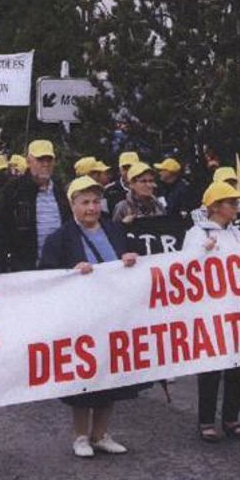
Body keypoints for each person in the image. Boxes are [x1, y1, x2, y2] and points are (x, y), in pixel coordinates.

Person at [39, 176, 142, 458]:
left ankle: (101, 434)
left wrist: (131, 260)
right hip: (80, 317)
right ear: (72, 205)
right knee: (84, 375)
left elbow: (129, 261)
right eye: (84, 202)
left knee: (110, 374)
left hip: (114, 314)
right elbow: (46, 275)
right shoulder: (59, 238)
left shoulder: (115, 230)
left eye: (96, 201)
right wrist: (71, 272)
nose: (92, 207)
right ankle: (81, 436)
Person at [181, 181, 240, 442]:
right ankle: (206, 420)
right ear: (217, 207)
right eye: (232, 203)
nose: (237, 207)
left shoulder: (236, 233)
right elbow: (184, 267)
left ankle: (232, 418)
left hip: (236, 309)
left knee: (235, 367)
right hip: (210, 311)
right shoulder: (197, 233)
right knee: (210, 368)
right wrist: (201, 251)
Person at [0, 140, 71, 272]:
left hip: (58, 268)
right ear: (29, 162)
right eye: (40, 160)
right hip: (25, 270)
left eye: (49, 160)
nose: (45, 164)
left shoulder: (60, 191)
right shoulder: (13, 190)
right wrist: (6, 263)